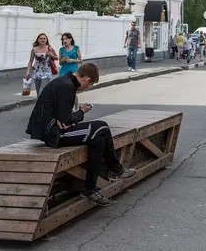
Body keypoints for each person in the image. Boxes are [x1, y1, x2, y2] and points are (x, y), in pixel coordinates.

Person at [25, 63, 136, 207]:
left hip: (54, 129)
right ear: (87, 80)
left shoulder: (65, 81)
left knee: (98, 140)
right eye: (89, 85)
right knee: (101, 127)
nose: (87, 88)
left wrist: (68, 118)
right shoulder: (67, 86)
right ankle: (116, 170)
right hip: (55, 134)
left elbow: (63, 117)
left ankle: (90, 189)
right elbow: (66, 119)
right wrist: (82, 111)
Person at [25, 33, 58, 98]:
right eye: (41, 38)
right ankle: (39, 105)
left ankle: (42, 106)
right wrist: (28, 72)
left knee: (42, 90)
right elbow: (30, 61)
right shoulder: (34, 49)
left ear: (46, 40)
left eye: (44, 38)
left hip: (46, 72)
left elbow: (57, 57)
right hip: (36, 72)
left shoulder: (50, 48)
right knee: (38, 91)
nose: (42, 40)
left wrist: (52, 56)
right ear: (38, 40)